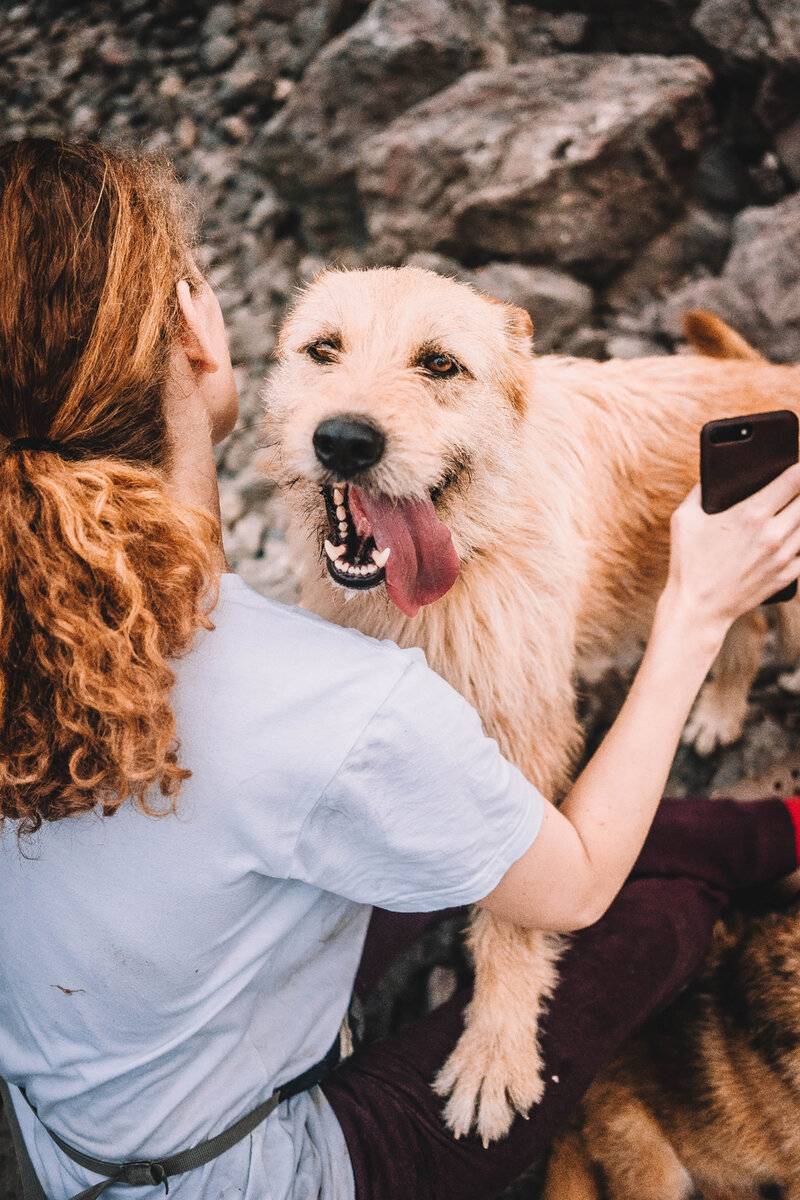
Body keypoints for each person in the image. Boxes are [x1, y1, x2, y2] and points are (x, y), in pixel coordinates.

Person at [1, 136, 800, 1200]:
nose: (355, 413)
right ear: (202, 328)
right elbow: (566, 889)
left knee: (554, 813)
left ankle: (762, 819)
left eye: (436, 366)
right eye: (322, 348)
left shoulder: (50, 604)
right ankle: (758, 834)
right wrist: (693, 610)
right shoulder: (334, 702)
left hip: (76, 1120)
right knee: (652, 909)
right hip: (254, 1166)